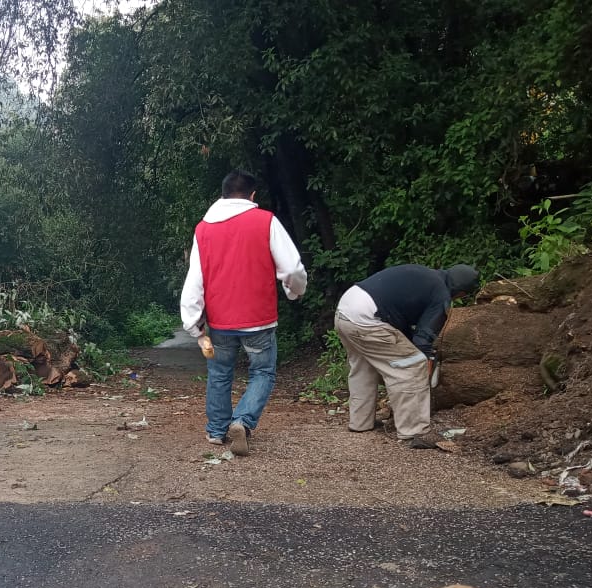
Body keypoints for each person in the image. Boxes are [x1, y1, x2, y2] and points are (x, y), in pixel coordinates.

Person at [180, 169, 308, 456]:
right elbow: (291, 268)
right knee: (262, 372)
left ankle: (215, 432)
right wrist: (294, 291)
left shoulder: (203, 229)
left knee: (219, 373)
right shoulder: (266, 221)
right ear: (252, 196)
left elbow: (195, 279)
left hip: (220, 322)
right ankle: (242, 420)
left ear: (223, 195)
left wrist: (194, 326)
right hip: (259, 319)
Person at [334, 263, 480, 448]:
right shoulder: (441, 294)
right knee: (412, 365)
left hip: (345, 311)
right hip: (367, 320)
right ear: (462, 292)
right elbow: (423, 340)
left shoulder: (425, 276)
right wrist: (425, 365)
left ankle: (360, 422)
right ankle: (414, 431)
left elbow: (398, 319)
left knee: (364, 366)